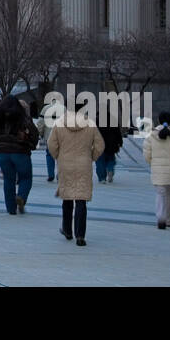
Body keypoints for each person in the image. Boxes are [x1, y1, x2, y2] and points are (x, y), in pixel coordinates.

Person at [47, 105, 104, 246]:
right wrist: (91, 157)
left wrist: (58, 157)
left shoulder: (59, 123)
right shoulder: (90, 123)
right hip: (83, 163)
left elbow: (51, 144)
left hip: (65, 163)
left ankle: (67, 229)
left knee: (67, 197)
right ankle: (80, 235)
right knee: (81, 198)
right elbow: (100, 145)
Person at [0, 94, 40, 215]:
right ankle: (21, 196)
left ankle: (11, 209)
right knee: (25, 177)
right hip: (20, 152)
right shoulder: (23, 118)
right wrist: (31, 145)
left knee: (8, 179)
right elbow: (34, 134)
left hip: (2, 152)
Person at [144, 111, 170, 229]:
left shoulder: (151, 136)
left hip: (157, 170)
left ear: (158, 120)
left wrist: (152, 163)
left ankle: (161, 217)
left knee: (160, 194)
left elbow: (147, 154)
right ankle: (169, 219)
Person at [38, 94, 65, 182]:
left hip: (49, 136)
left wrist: (40, 133)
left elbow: (40, 123)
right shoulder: (64, 109)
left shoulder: (46, 108)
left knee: (49, 155)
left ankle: (51, 174)